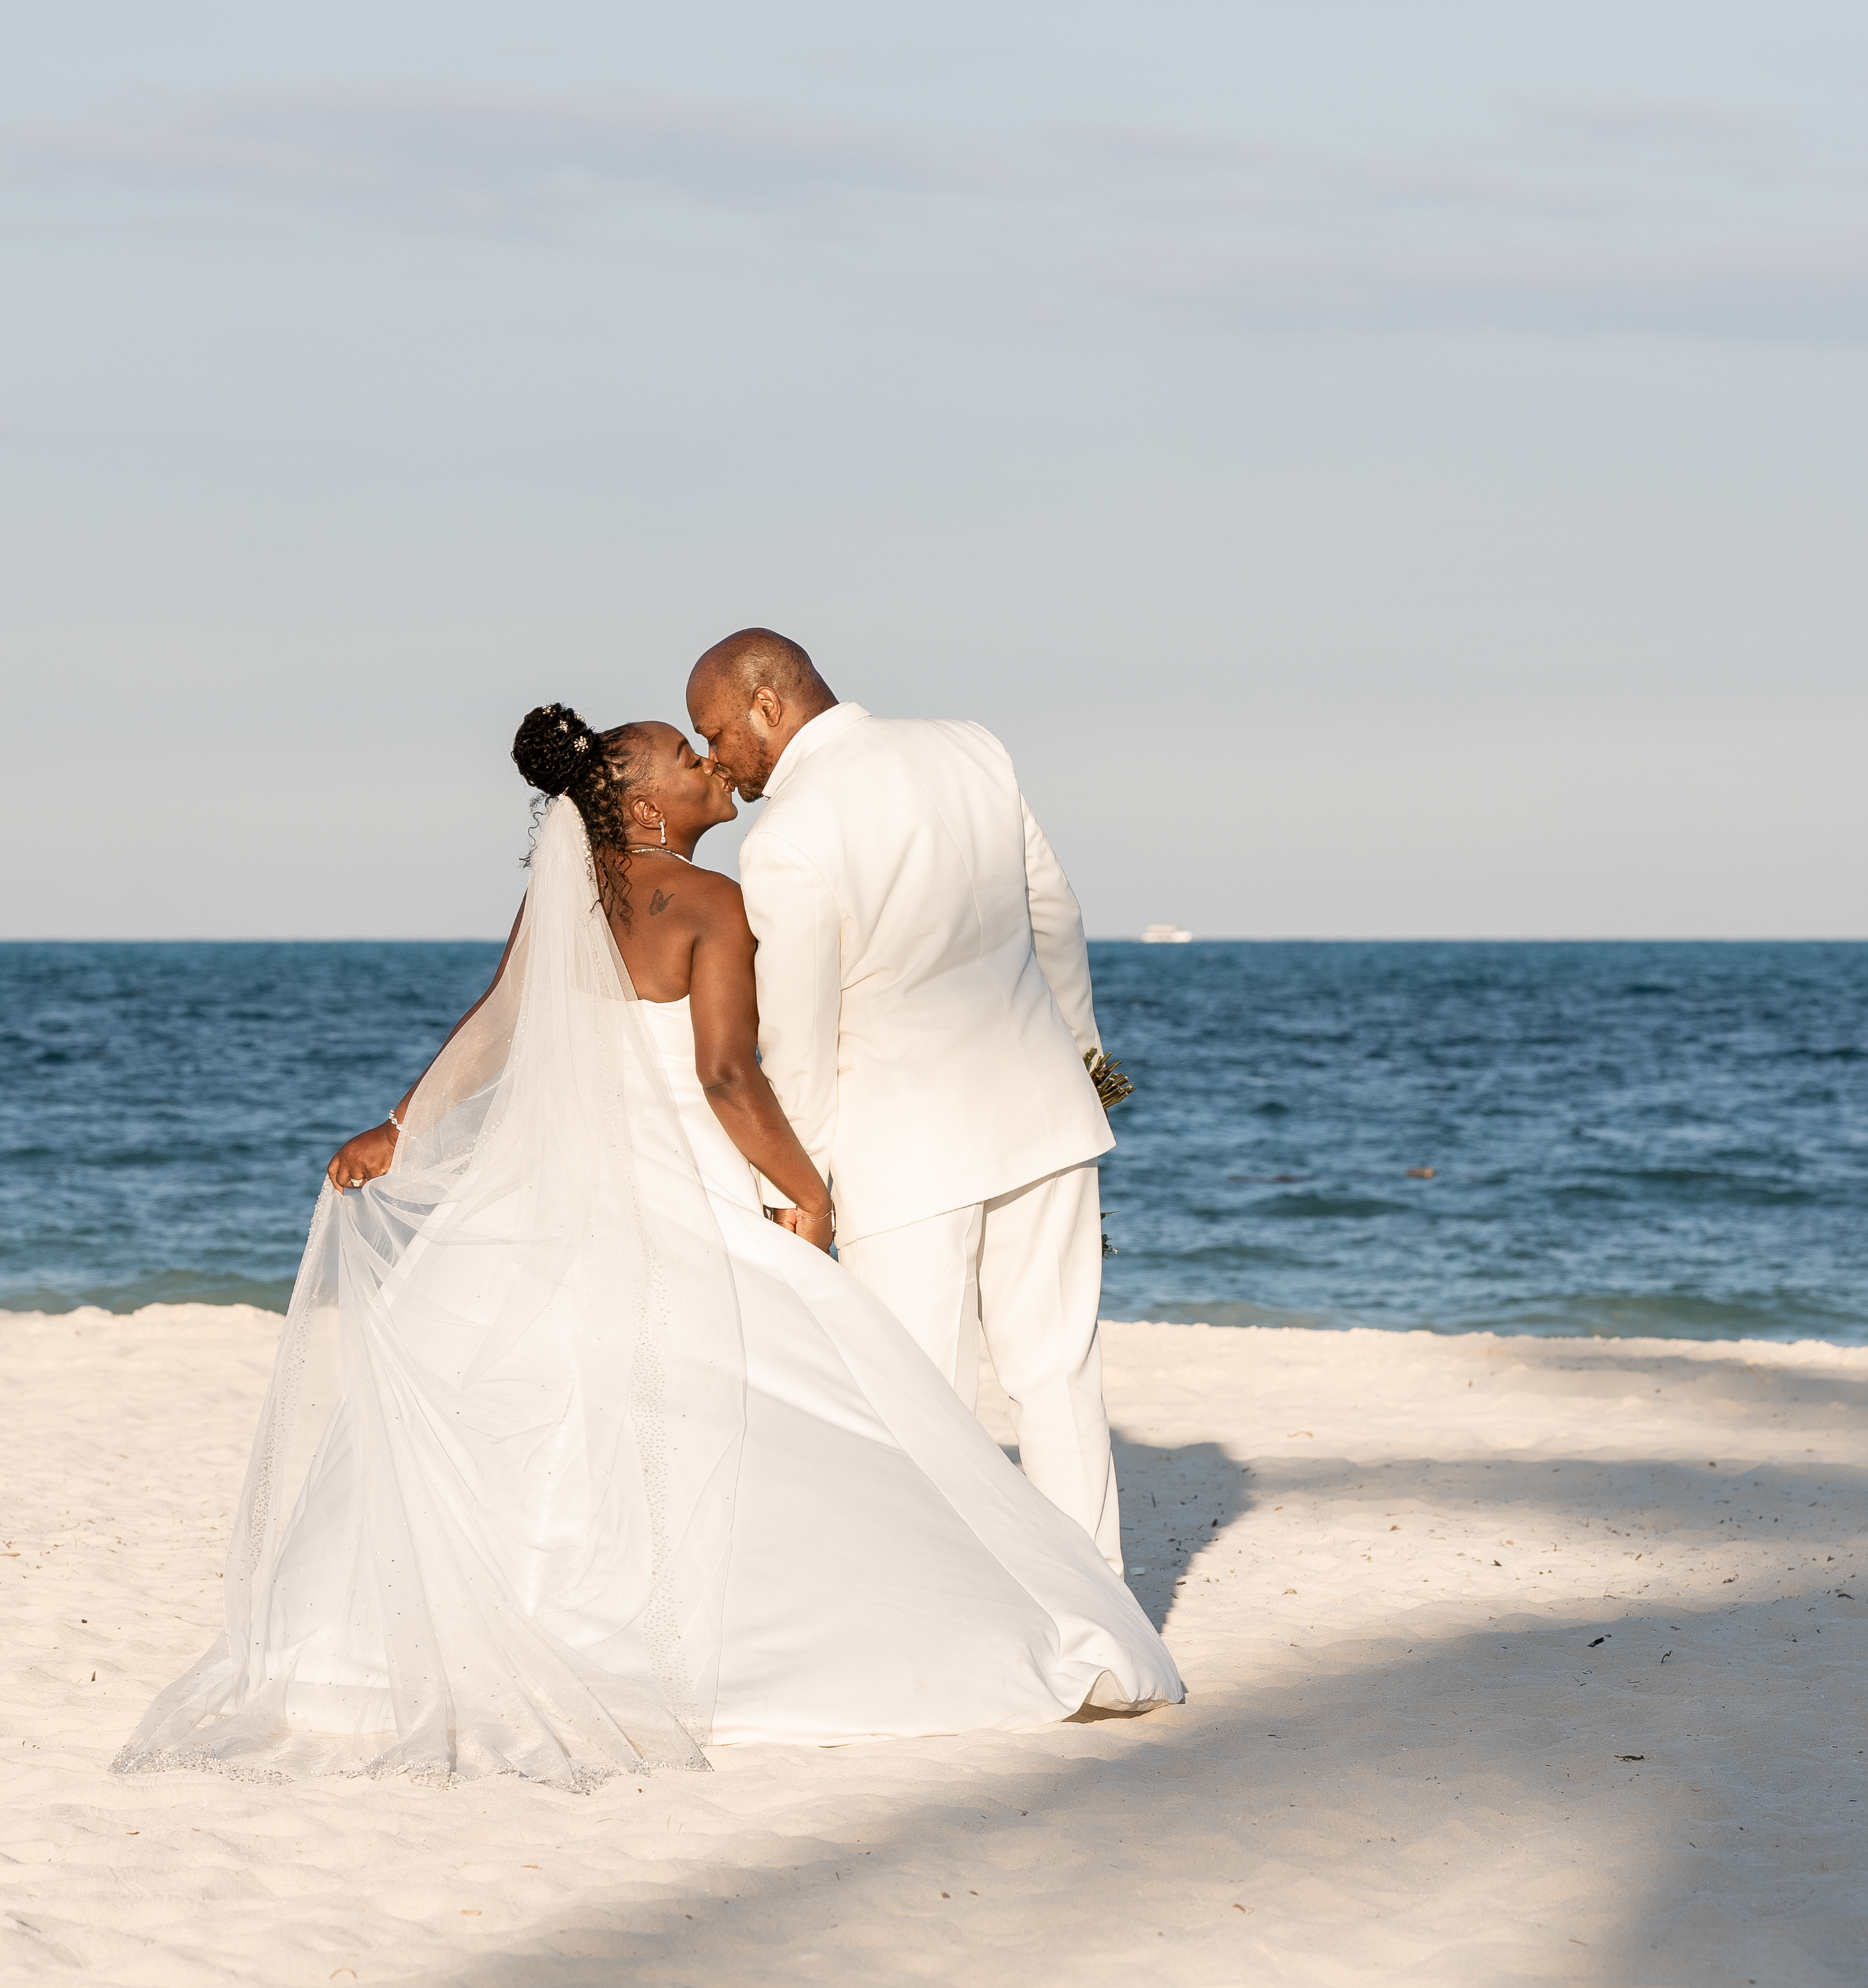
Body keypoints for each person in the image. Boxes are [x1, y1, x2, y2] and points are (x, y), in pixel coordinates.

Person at [116, 704, 1179, 1787]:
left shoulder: (562, 899)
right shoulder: (712, 901)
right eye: (686, 756)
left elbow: (492, 1023)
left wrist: (400, 1127)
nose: (709, 762)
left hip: (555, 1205)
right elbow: (727, 1077)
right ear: (639, 805)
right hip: (686, 1198)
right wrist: (808, 1189)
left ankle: (487, 1646)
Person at [685, 629, 1128, 1568]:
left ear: (767, 705)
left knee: (918, 1400)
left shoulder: (789, 835)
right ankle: (1104, 1632)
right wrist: (1083, 1063)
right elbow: (1057, 914)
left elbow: (796, 1038)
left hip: (906, 1153)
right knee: (1058, 1379)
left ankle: (964, 1627)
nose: (716, 756)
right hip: (1044, 1114)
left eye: (715, 730)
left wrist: (797, 1186)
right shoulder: (971, 746)